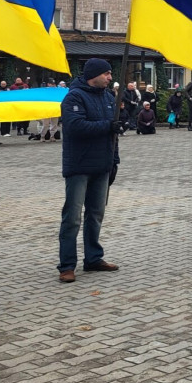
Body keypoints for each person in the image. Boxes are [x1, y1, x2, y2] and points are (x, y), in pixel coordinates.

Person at [57, 58, 120, 283]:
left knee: (95, 215)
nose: (110, 78)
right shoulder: (74, 96)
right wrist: (107, 126)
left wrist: (115, 160)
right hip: (79, 166)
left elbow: (113, 133)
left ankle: (93, 258)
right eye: (107, 74)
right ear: (94, 75)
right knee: (73, 217)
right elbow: (75, 127)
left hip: (102, 165)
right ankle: (67, 265)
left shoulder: (108, 97)